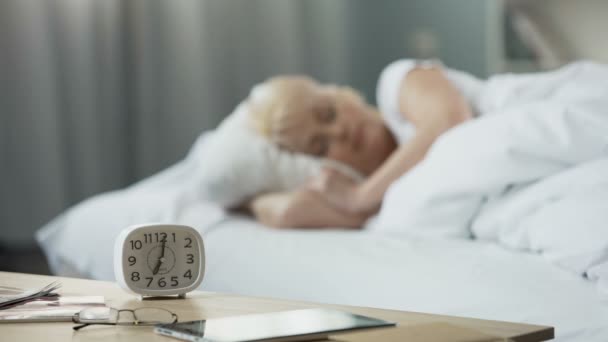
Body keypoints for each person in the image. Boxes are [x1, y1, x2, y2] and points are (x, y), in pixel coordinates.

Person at [246, 59, 481, 228]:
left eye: (329, 114)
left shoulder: (397, 84)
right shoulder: (377, 198)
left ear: (342, 95)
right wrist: (245, 203)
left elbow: (451, 121)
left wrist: (358, 197)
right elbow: (286, 212)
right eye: (322, 146)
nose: (339, 132)